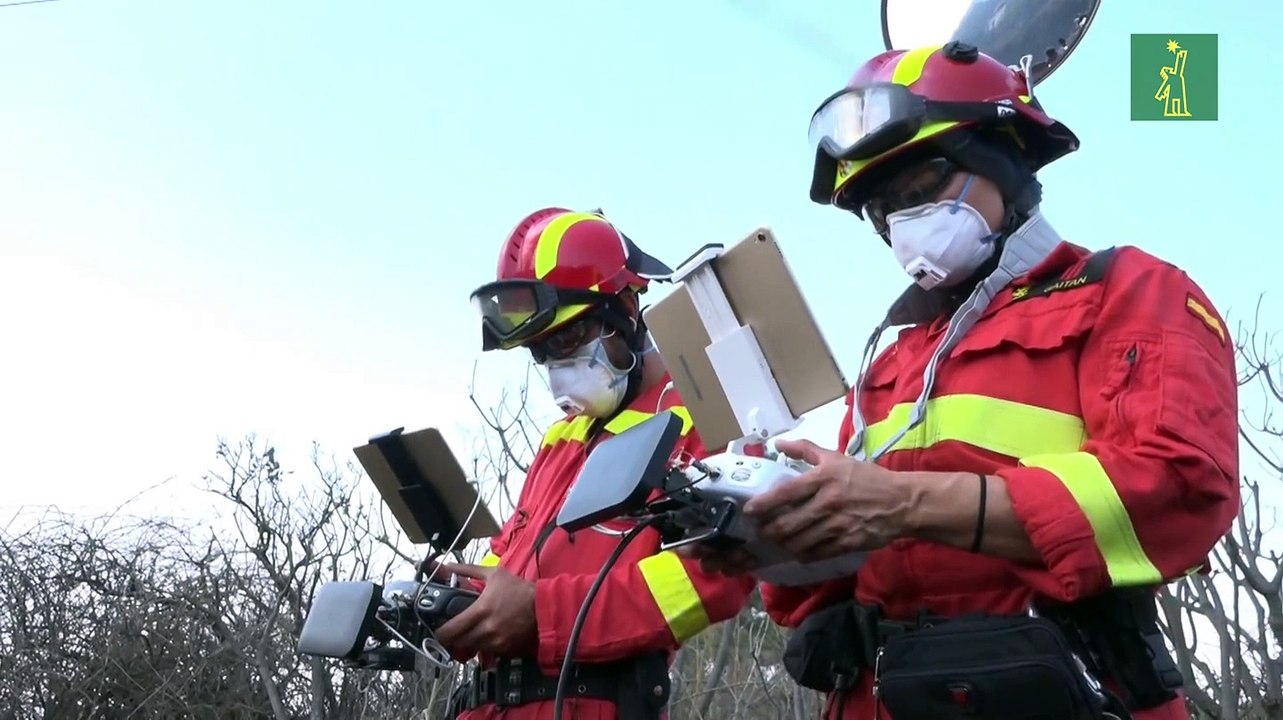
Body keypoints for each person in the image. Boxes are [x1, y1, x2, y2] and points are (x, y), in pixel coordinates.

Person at [682, 42, 1240, 720]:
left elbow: (1178, 486)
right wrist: (772, 538)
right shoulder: (890, 362)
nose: (900, 224)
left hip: (1056, 693)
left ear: (1001, 163)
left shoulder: (1125, 290)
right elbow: (834, 585)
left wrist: (905, 502)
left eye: (919, 190)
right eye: (881, 210)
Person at [437, 207, 757, 720]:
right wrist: (451, 601)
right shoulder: (559, 440)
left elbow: (712, 578)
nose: (557, 368)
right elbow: (509, 561)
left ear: (626, 312)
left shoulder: (703, 415)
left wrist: (543, 615)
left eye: (567, 340)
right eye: (541, 351)